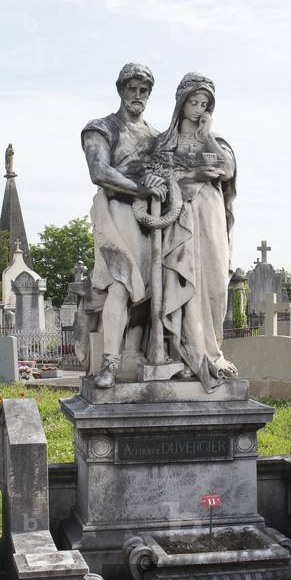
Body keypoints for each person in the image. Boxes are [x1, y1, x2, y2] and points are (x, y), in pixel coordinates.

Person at [80, 63, 167, 387]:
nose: (138, 95)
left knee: (148, 294)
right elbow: (99, 171)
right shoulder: (102, 127)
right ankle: (109, 364)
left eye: (144, 90)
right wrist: (140, 187)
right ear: (120, 90)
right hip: (116, 215)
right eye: (132, 88)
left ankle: (136, 357)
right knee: (121, 284)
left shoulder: (158, 138)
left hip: (152, 221)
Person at [153, 72, 238, 391]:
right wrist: (197, 172)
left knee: (215, 285)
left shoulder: (218, 141)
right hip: (182, 218)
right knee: (189, 282)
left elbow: (226, 170)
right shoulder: (164, 143)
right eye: (194, 102)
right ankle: (190, 354)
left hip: (211, 214)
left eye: (205, 104)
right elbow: (158, 180)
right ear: (181, 102)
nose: (199, 109)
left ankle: (213, 352)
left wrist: (208, 136)